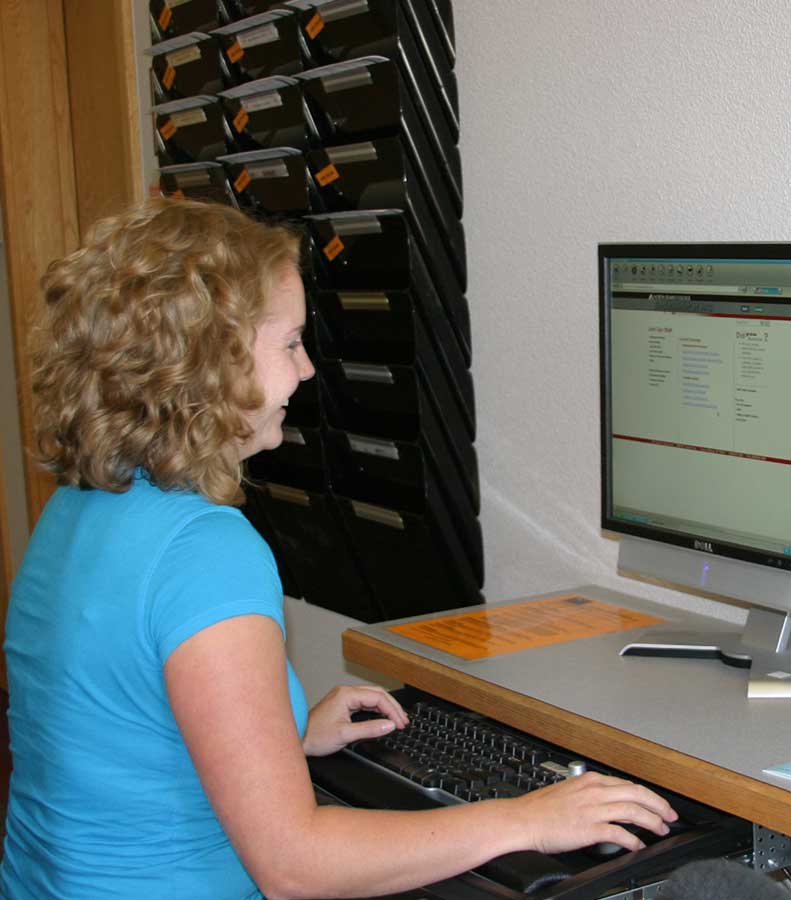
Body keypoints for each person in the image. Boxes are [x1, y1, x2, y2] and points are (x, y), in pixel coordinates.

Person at [1, 197, 677, 900]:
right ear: (210, 361)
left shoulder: (78, 505)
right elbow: (294, 866)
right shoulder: (205, 553)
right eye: (290, 344)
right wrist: (521, 819)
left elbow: (119, 740)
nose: (307, 371)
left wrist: (282, 736)